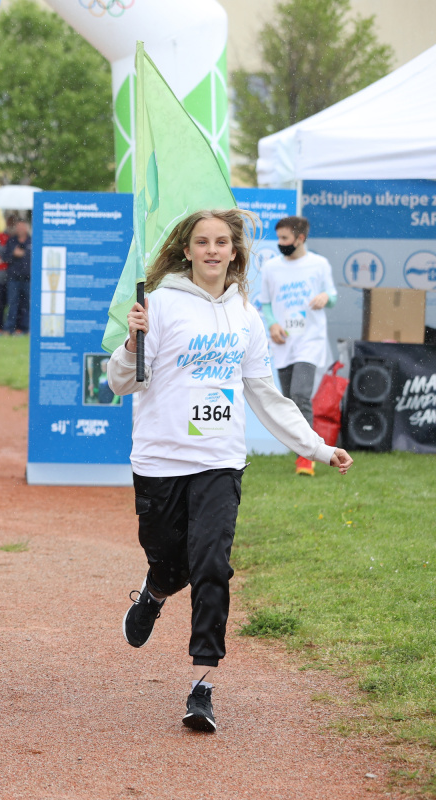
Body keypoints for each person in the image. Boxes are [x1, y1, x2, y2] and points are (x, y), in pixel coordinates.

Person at [108, 209, 352, 733]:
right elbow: (122, 383)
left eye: (222, 242)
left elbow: (265, 394)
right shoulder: (159, 303)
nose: (213, 250)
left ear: (235, 251)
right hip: (160, 460)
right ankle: (154, 591)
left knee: (212, 564)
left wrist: (317, 447)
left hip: (220, 460)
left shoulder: (245, 313)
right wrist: (131, 344)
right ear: (187, 250)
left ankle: (202, 685)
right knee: (170, 564)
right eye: (203, 242)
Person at [257, 215, 338, 476]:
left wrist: (325, 297)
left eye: (285, 238)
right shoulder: (271, 268)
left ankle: (306, 457)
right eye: (278, 238)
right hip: (283, 342)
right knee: (290, 399)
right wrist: (272, 324)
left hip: (310, 340)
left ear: (300, 238)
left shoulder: (319, 264)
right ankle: (302, 449)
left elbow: (333, 297)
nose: (280, 243)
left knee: (300, 394)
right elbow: (265, 302)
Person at [1, 218, 31, 335]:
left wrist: (25, 254)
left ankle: (26, 328)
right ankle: (9, 328)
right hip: (13, 278)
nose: (20, 229)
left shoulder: (32, 241)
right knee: (12, 304)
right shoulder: (11, 241)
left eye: (22, 227)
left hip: (28, 278)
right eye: (18, 227)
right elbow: (5, 257)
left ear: (27, 228)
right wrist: (13, 254)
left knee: (27, 304)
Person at [0, 215, 16, 334]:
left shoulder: (16, 238)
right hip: (0, 274)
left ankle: (11, 326)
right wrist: (9, 250)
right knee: (0, 303)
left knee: (13, 302)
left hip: (13, 274)